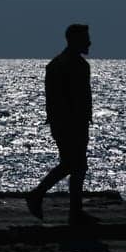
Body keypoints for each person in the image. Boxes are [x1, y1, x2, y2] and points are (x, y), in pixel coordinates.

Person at [25, 23, 98, 224]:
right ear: (75, 40)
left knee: (77, 166)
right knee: (72, 165)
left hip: (75, 123)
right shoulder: (64, 65)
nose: (89, 42)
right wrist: (67, 121)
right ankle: (38, 195)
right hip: (68, 124)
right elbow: (58, 98)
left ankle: (75, 212)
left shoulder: (70, 64)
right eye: (85, 38)